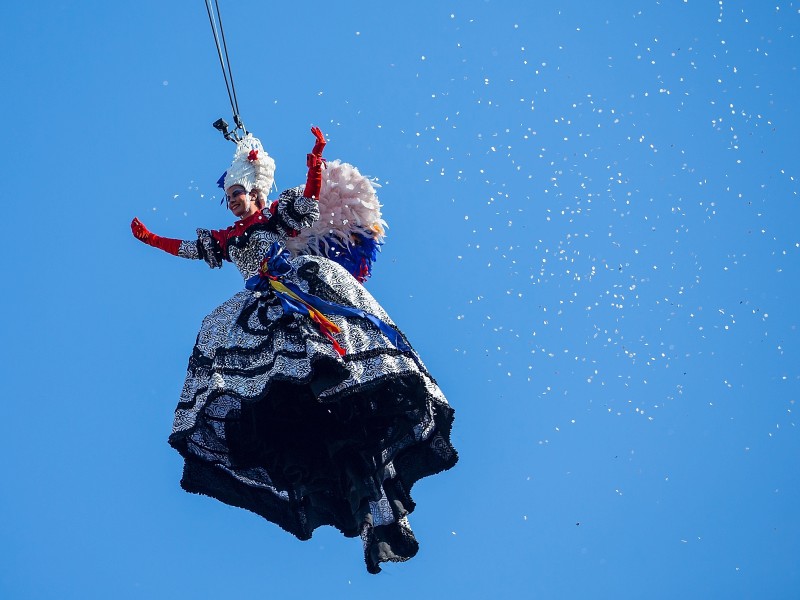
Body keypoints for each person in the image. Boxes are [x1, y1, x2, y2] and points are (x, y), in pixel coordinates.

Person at [131, 127, 457, 573]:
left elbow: (310, 194)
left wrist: (314, 159)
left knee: (311, 323)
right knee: (221, 327)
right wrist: (152, 240)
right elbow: (190, 247)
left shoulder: (275, 219)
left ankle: (332, 369)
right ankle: (297, 390)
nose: (233, 202)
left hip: (294, 288)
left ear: (256, 193)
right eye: (228, 197)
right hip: (264, 300)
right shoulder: (229, 237)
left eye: (239, 194)